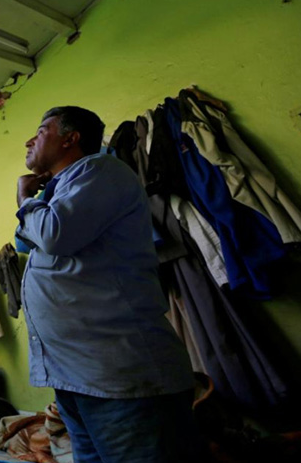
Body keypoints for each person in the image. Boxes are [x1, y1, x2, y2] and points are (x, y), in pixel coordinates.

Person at [15, 106, 201, 463]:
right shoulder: (60, 193)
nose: (29, 140)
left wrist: (24, 200)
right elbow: (26, 242)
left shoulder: (100, 170)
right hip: (78, 378)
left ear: (71, 138)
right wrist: (36, 201)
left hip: (120, 380)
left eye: (40, 131)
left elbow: (54, 235)